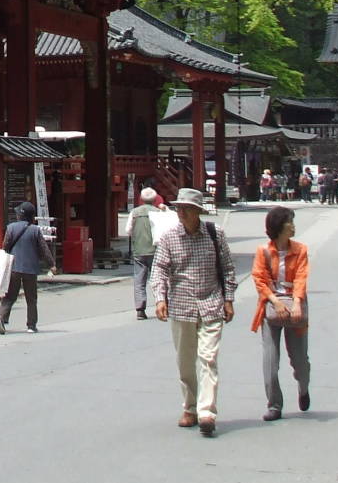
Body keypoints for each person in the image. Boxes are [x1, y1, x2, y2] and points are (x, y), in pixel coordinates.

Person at [153, 188, 237, 438]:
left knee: (208, 358)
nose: (181, 213)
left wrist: (229, 299)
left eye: (187, 209)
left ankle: (207, 411)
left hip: (211, 303)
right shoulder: (169, 237)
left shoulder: (214, 234)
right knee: (185, 361)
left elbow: (228, 268)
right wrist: (160, 298)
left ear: (198, 212)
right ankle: (189, 407)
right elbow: (159, 269)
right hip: (181, 306)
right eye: (179, 208)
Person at [249, 207, 311, 421]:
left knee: (300, 360)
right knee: (270, 360)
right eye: (289, 222)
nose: (293, 226)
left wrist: (296, 303)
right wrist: (275, 301)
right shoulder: (263, 251)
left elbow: (302, 277)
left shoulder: (300, 249)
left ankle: (304, 387)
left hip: (295, 305)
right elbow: (259, 278)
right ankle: (274, 404)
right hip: (271, 306)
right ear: (278, 227)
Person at [0, 202, 56, 333]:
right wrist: (51, 264)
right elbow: (43, 249)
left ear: (19, 215)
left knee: (10, 295)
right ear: (32, 217)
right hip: (30, 268)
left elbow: (5, 246)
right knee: (31, 298)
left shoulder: (11, 228)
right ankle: (31, 325)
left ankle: (1, 317)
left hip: (14, 267)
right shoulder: (35, 230)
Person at [125, 188, 167, 320]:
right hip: (156, 250)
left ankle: (140, 309)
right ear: (155, 199)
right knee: (159, 279)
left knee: (139, 280)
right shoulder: (158, 212)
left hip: (139, 250)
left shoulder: (134, 212)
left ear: (141, 199)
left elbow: (128, 230)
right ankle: (162, 304)